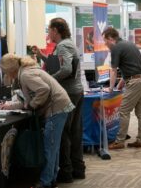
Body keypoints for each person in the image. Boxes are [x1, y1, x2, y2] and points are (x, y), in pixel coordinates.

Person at [0, 53, 74, 188]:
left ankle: (45, 183)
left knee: (49, 148)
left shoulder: (25, 75)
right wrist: (9, 106)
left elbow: (43, 91)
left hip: (55, 109)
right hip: (60, 107)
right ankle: (51, 180)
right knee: (53, 147)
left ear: (10, 70)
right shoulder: (28, 70)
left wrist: (33, 105)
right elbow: (29, 100)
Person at [46, 17, 86, 183]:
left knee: (64, 133)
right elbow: (64, 64)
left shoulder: (63, 45)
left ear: (55, 30)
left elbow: (67, 68)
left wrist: (50, 79)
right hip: (76, 91)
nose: (48, 33)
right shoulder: (68, 43)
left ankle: (67, 172)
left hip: (68, 93)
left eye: (49, 30)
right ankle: (78, 169)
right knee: (75, 132)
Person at [102, 27, 141, 149]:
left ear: (110, 38)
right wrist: (121, 84)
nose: (105, 44)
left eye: (105, 41)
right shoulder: (129, 44)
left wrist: (111, 88)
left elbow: (113, 71)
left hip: (135, 82)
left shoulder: (115, 48)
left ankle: (119, 141)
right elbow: (130, 66)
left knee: (123, 111)